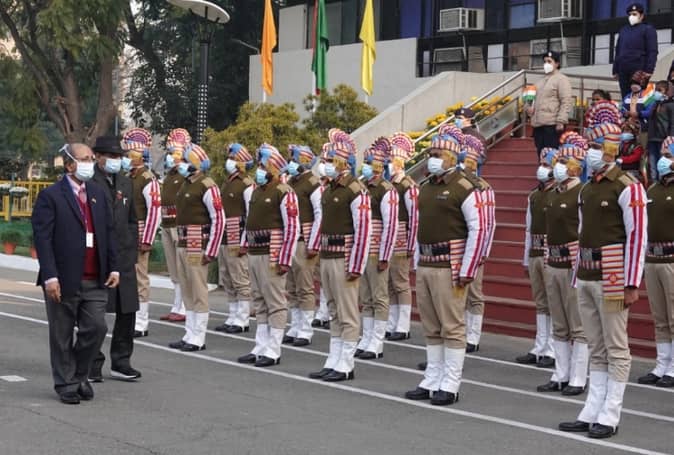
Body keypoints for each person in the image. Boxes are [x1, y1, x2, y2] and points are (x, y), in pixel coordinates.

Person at [559, 114, 647, 439]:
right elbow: (582, 232)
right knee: (596, 345)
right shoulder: (587, 188)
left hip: (612, 274)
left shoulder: (628, 186)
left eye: (597, 145)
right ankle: (592, 408)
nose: (591, 152)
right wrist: (576, 276)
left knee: (616, 346)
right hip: (586, 271)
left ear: (611, 148)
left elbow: (637, 236)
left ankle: (610, 413)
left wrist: (631, 282)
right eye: (590, 145)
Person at [403, 124, 485, 406]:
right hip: (427, 262)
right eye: (430, 154)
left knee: (452, 326)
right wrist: (416, 261)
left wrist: (467, 269)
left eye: (437, 154)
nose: (432, 159)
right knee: (431, 326)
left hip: (450, 265)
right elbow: (418, 227)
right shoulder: (426, 188)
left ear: (452, 157)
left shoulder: (465, 187)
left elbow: (478, 229)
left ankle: (450, 383)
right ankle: (432, 378)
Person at [32, 143, 119, 404]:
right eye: (84, 159)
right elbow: (43, 239)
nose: (90, 163)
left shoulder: (97, 193)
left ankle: (79, 375)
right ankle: (66, 384)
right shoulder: (51, 196)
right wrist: (50, 276)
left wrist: (114, 266)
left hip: (95, 277)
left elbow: (108, 232)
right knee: (61, 334)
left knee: (97, 327)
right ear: (69, 164)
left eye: (91, 158)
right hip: (63, 278)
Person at [308, 128, 371, 382]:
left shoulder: (355, 189)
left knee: (347, 312)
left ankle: (346, 363)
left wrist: (356, 265)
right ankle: (333, 359)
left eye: (330, 160)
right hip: (327, 255)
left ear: (343, 162)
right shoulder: (330, 189)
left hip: (344, 257)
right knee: (333, 309)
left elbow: (363, 230)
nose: (325, 165)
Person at [236, 144, 299, 367]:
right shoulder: (256, 191)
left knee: (275, 302)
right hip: (255, 251)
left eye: (263, 166)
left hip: (272, 252)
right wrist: (244, 244)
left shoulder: (284, 192)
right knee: (259, 301)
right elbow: (249, 221)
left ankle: (273, 348)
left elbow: (292, 227)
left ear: (274, 167)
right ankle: (260, 346)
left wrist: (285, 258)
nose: (260, 170)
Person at [535, 134, 589, 396]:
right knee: (559, 322)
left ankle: (577, 377)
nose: (558, 166)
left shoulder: (582, 193)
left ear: (576, 167)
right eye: (558, 161)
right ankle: (560, 373)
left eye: (564, 161)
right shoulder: (554, 194)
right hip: (553, 261)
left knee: (577, 323)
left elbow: (583, 230)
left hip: (572, 262)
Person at [89, 136, 142, 382]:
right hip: (98, 255)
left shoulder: (125, 182)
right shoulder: (89, 180)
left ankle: (121, 362)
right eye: (111, 156)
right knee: (94, 314)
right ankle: (92, 362)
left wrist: (131, 249)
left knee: (127, 310)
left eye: (119, 156)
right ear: (98, 156)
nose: (116, 161)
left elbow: (132, 220)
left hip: (123, 255)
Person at [168, 144, 225, 351]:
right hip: (183, 242)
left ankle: (198, 337)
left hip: (197, 243)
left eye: (185, 160)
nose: (181, 164)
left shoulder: (207, 185)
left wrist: (211, 250)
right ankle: (189, 333)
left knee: (198, 291)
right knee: (187, 290)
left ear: (195, 163)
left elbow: (218, 218)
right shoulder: (186, 184)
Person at [355, 137, 399, 360]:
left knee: (379, 297)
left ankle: (377, 341)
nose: (365, 165)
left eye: (369, 162)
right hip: (363, 250)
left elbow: (391, 225)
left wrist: (385, 255)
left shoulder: (386, 189)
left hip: (376, 250)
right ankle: (366, 337)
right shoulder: (362, 187)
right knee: (366, 297)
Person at [516, 147, 557, 368]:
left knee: (553, 302)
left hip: (551, 252)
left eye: (547, 165)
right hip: (535, 251)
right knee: (540, 302)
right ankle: (540, 346)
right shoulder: (534, 195)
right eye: (541, 164)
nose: (542, 168)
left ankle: (552, 348)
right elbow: (528, 228)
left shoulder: (557, 193)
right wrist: (526, 258)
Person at [638, 136, 674, 387]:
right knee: (659, 315)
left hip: (671, 258)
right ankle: (662, 363)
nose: (663, 160)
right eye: (662, 155)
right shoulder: (651, 190)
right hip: (652, 258)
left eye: (668, 156)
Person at [121, 128, 161, 338]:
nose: (126, 157)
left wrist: (148, 239)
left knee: (139, 279)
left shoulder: (147, 178)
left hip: (139, 232)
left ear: (138, 156)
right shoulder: (128, 176)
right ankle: (130, 318)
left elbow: (154, 211)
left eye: (129, 154)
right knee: (127, 278)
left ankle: (141, 322)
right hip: (126, 233)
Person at [282, 144, 322, 347]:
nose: (290, 162)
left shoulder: (313, 183)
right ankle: (295, 326)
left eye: (294, 159)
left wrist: (313, 243)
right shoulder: (291, 181)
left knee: (305, 287)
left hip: (303, 241)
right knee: (291, 286)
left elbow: (319, 214)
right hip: (290, 240)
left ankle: (305, 329)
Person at [460, 134, 495, 353]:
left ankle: (473, 336)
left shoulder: (483, 187)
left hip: (474, 247)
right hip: (457, 247)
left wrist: (483, 251)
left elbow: (489, 223)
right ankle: (460, 332)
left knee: (474, 294)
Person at [215, 143, 255, 334]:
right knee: (227, 277)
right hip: (225, 235)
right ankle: (232, 316)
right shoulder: (228, 182)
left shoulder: (246, 184)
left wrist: (245, 241)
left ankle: (242, 318)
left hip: (237, 235)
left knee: (240, 279)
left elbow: (250, 214)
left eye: (233, 158)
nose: (229, 161)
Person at [385, 132, 418, 342]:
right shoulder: (390, 184)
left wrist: (411, 244)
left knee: (400, 282)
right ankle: (392, 322)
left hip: (402, 238)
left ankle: (403, 325)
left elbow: (415, 216)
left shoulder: (408, 185)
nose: (388, 163)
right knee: (389, 282)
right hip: (389, 237)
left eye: (391, 160)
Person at [158, 128, 189, 322]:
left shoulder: (186, 174)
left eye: (174, 152)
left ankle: (184, 306)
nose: (171, 156)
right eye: (169, 152)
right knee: (173, 267)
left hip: (179, 224)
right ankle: (177, 304)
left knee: (182, 265)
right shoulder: (170, 175)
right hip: (167, 222)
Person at [527, 51, 573, 156]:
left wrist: (561, 121)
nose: (546, 64)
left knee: (552, 155)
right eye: (544, 62)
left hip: (552, 124)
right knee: (541, 154)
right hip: (538, 124)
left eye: (549, 61)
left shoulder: (562, 79)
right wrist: (528, 107)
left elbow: (566, 101)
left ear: (557, 64)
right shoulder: (539, 82)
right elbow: (530, 99)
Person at [612, 3, 658, 98]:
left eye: (634, 14)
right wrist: (615, 69)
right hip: (623, 69)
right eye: (630, 14)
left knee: (637, 98)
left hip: (639, 69)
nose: (631, 16)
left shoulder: (648, 29)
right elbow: (618, 50)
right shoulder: (624, 30)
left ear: (641, 15)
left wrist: (649, 70)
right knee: (625, 97)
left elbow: (652, 51)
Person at [312, 161, 331, 329]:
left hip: (334, 239)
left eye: (329, 161)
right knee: (323, 279)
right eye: (324, 161)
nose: (324, 165)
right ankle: (323, 312)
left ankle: (332, 313)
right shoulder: (319, 186)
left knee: (334, 280)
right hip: (321, 238)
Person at [647, 81, 674, 183]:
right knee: (652, 163)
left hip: (664, 139)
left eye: (659, 90)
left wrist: (670, 137)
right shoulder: (655, 104)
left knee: (662, 162)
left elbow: (672, 123)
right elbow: (650, 119)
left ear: (666, 91)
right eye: (656, 90)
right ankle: (654, 183)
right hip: (652, 138)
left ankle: (662, 181)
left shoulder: (671, 105)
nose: (656, 92)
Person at [621, 70, 656, 136]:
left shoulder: (648, 96)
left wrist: (639, 114)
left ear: (642, 83)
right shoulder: (627, 96)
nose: (633, 85)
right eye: (632, 83)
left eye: (636, 83)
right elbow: (621, 108)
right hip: (628, 126)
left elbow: (650, 112)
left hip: (643, 126)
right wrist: (625, 113)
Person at [618, 119, 647, 185]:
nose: (625, 133)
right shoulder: (621, 145)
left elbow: (635, 157)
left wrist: (622, 159)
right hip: (621, 170)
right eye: (624, 131)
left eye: (627, 130)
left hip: (633, 171)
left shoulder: (637, 145)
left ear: (633, 132)